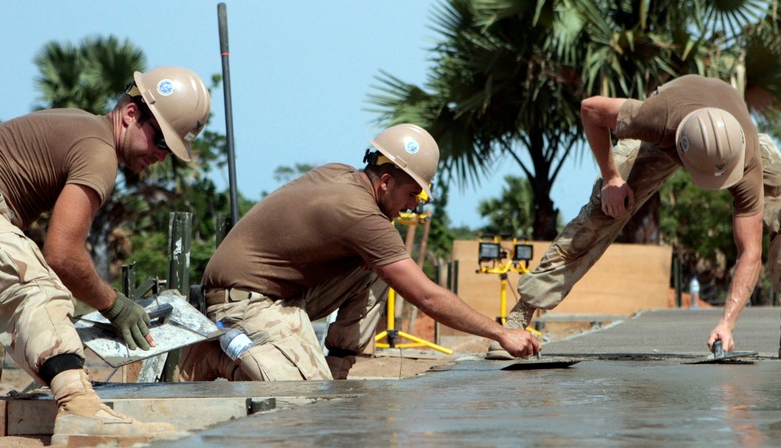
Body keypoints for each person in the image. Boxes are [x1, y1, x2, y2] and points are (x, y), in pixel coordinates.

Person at [0, 66, 211, 446]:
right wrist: (115, 305)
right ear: (131, 114)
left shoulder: (81, 129)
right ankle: (81, 410)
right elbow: (62, 255)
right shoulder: (99, 150)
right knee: (42, 291)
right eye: (160, 141)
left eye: (169, 151)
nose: (161, 156)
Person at [489, 74, 781, 361]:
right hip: (670, 134)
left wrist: (727, 324)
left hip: (727, 142)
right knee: (603, 211)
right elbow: (591, 109)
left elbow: (749, 251)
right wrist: (611, 179)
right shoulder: (655, 118)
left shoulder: (744, 156)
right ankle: (520, 316)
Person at [177, 123, 540, 382]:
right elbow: (427, 296)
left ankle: (336, 370)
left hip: (278, 293)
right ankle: (216, 358)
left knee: (381, 267)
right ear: (386, 182)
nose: (413, 205)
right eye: (412, 194)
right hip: (242, 303)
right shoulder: (360, 215)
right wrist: (500, 333)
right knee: (301, 400)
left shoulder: (341, 174)